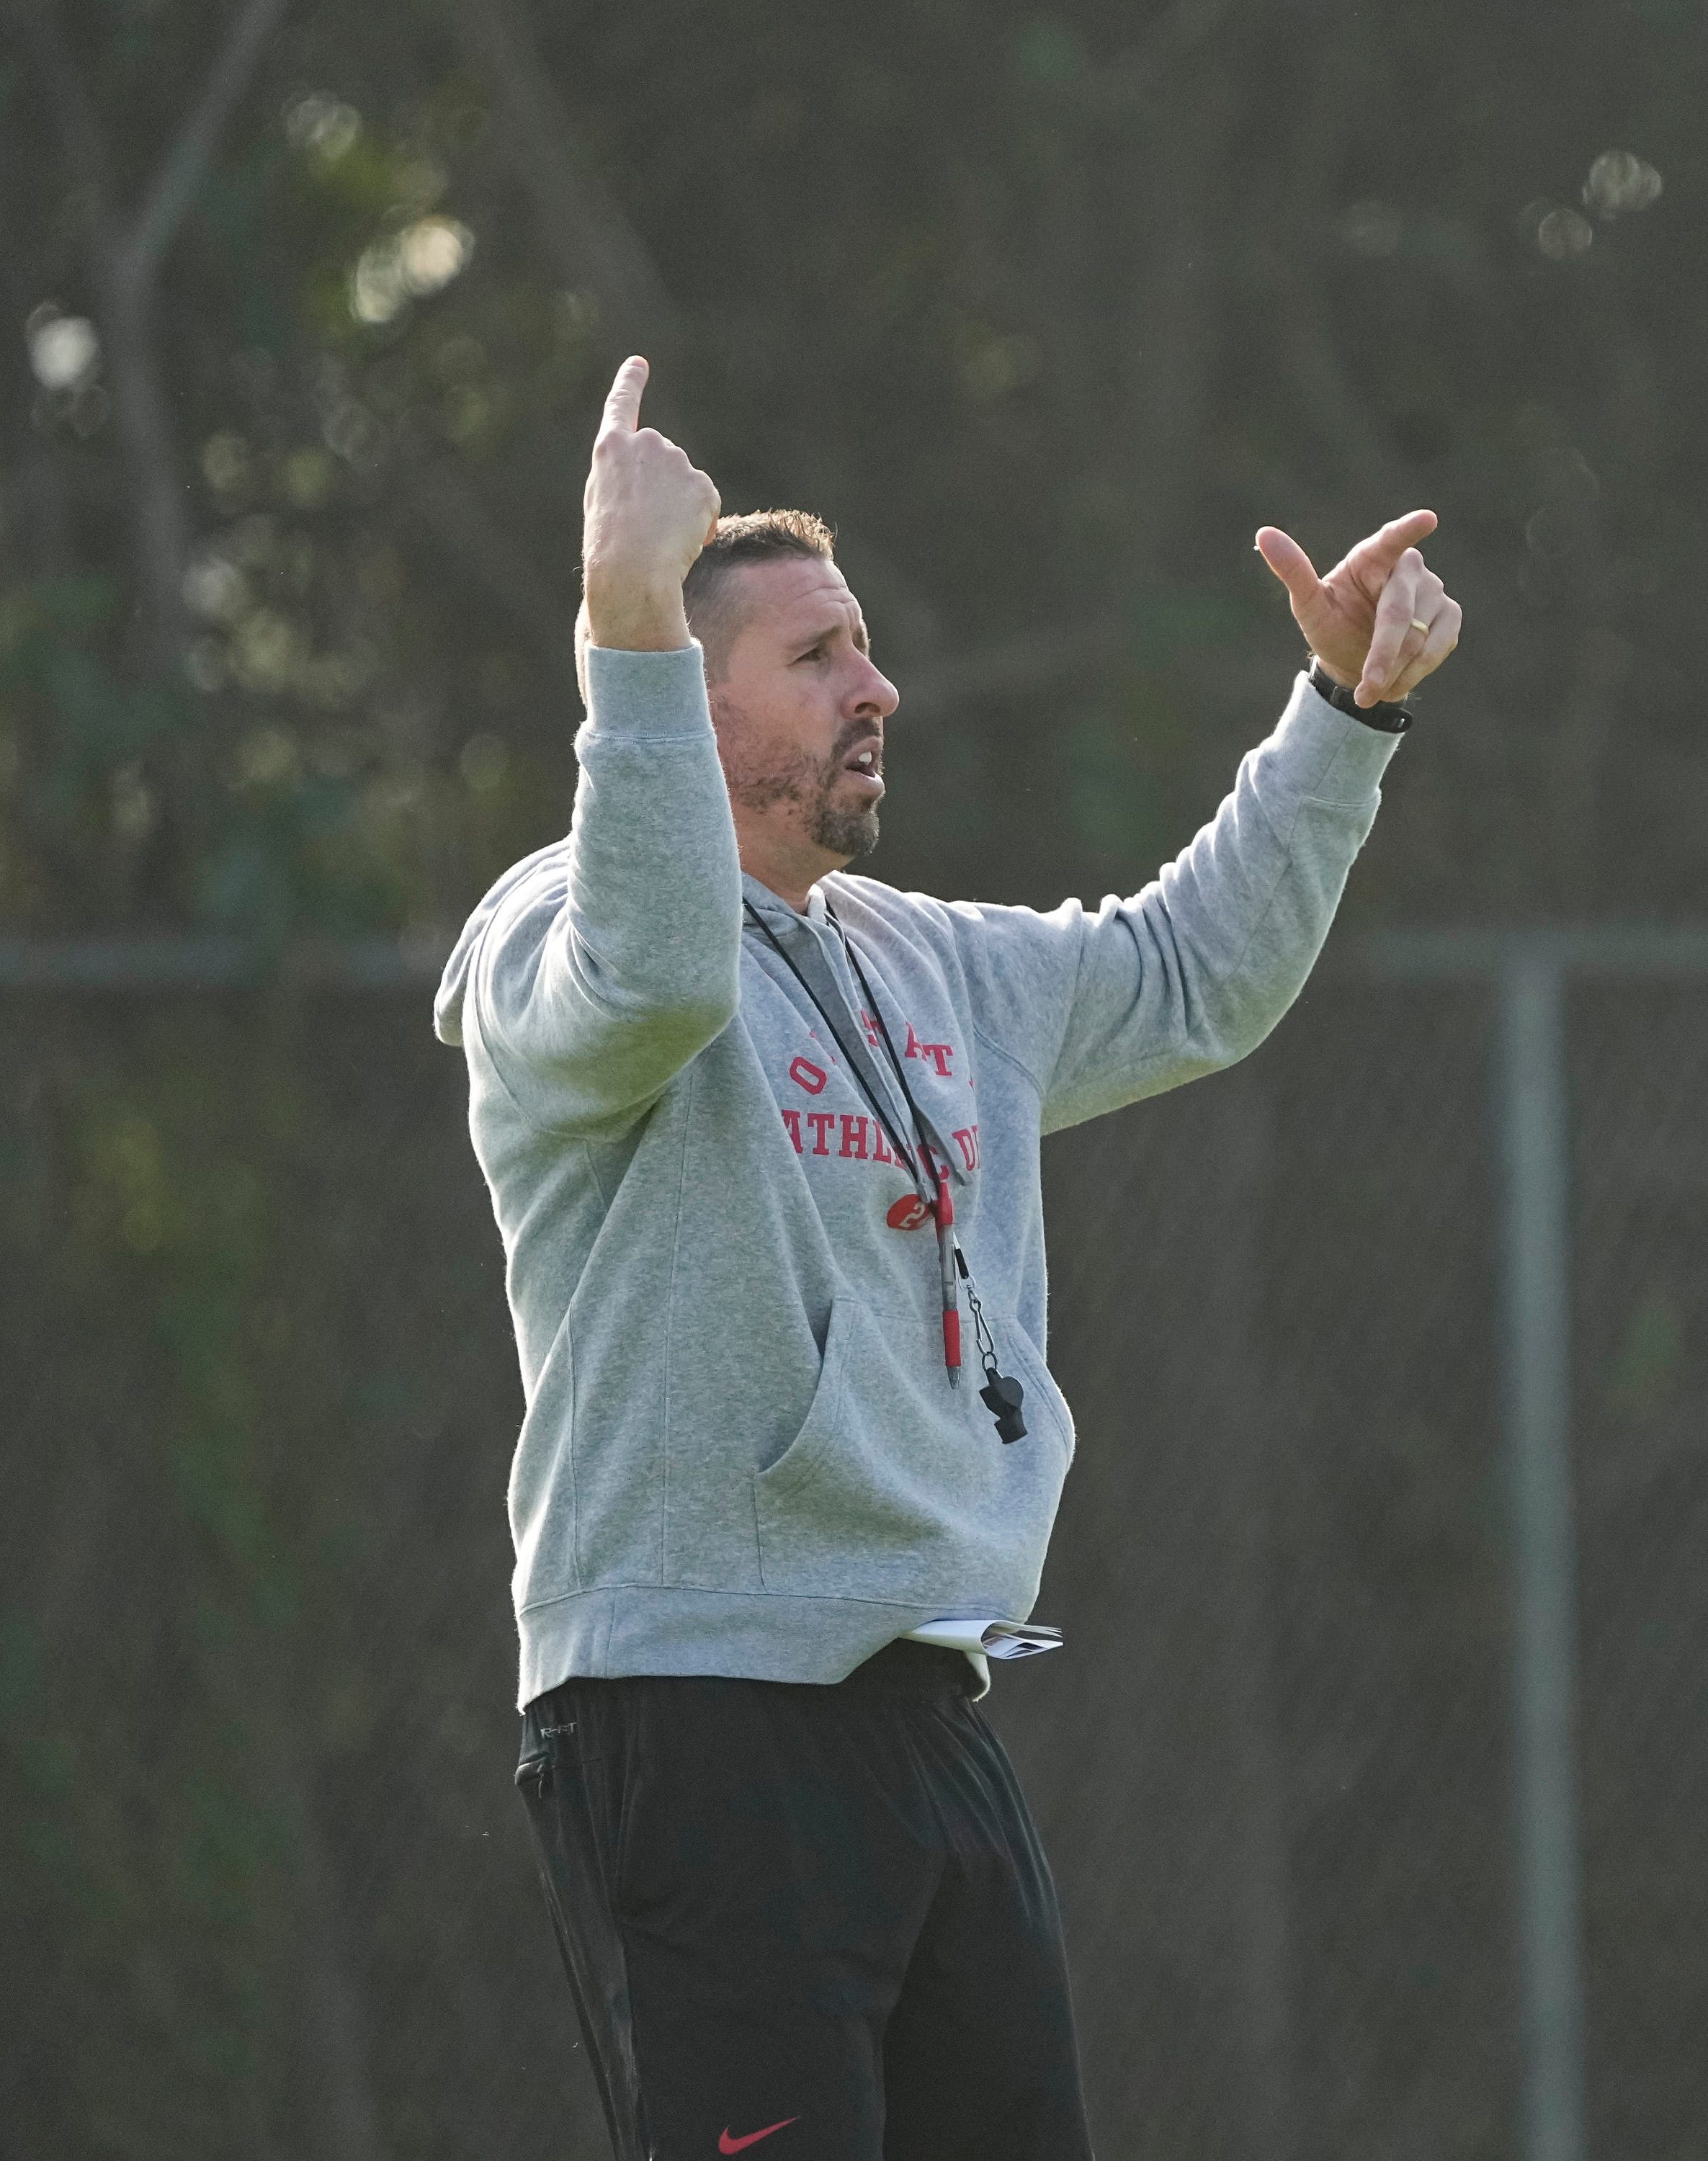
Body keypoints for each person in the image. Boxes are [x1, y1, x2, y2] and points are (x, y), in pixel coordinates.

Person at [434, 355, 1462, 2161]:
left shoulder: (929, 959)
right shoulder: (556, 934)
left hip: (926, 1704)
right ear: (691, 690)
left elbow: (1188, 974)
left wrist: (1341, 714)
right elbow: (662, 976)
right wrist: (626, 619)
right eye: (818, 654)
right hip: (692, 1707)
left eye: (867, 644)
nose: (876, 684)